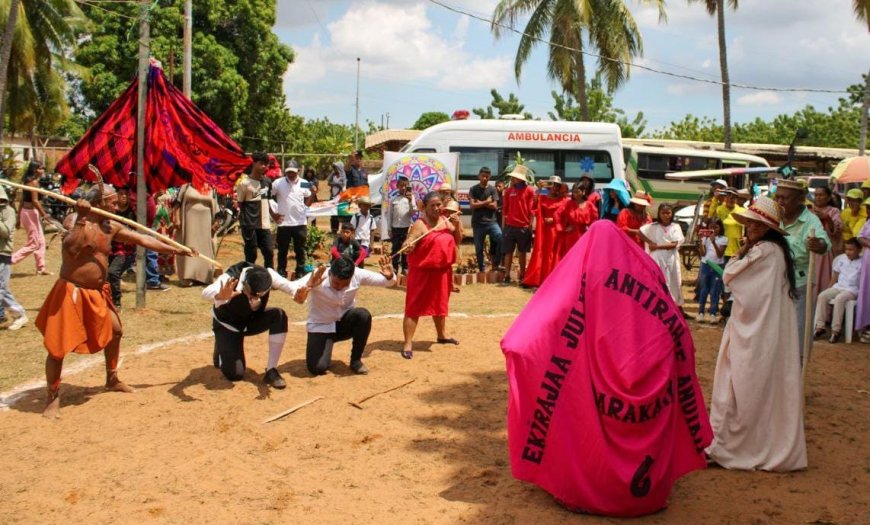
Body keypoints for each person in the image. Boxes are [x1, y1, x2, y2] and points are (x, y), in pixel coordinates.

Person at [36, 183, 195, 418]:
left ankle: (111, 379)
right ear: (99, 202)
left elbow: (142, 239)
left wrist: (174, 249)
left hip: (97, 292)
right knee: (58, 348)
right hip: (72, 291)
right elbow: (71, 247)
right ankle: (52, 397)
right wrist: (81, 218)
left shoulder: (111, 226)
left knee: (116, 330)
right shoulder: (74, 220)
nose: (117, 204)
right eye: (112, 201)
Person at [706, 196, 806, 471]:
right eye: (749, 223)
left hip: (754, 331)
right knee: (756, 384)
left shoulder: (763, 252)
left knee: (740, 383)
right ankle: (746, 443)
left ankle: (733, 446)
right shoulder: (775, 253)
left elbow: (732, 277)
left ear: (767, 229)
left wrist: (739, 255)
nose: (749, 227)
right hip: (765, 330)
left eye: (754, 224)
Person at [292, 255, 397, 376]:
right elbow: (296, 291)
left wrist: (389, 275)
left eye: (345, 284)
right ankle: (326, 343)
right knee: (318, 368)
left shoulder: (357, 273)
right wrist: (304, 292)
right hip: (321, 326)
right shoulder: (318, 275)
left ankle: (356, 361)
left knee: (363, 315)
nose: (340, 287)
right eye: (336, 283)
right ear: (330, 273)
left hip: (344, 324)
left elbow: (388, 282)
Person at [202, 262, 301, 389]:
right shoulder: (231, 277)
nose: (253, 298)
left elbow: (291, 286)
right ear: (245, 283)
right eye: (250, 293)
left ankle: (271, 370)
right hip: (228, 325)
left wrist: (298, 293)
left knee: (279, 315)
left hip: (250, 320)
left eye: (259, 295)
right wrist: (220, 295)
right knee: (235, 375)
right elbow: (205, 292)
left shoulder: (268, 275)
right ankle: (221, 346)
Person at [774, 178, 830, 362]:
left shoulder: (810, 221)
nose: (780, 202)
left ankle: (797, 368)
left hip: (800, 283)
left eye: (785, 198)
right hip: (773, 281)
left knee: (798, 329)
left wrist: (818, 244)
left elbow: (824, 244)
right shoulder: (773, 216)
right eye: (777, 197)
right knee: (774, 329)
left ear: (799, 199)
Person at [401, 192, 463, 359]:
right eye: (432, 205)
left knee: (440, 305)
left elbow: (457, 239)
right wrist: (408, 245)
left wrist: (457, 226)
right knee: (414, 307)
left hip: (442, 271)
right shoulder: (420, 224)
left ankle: (441, 335)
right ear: (425, 207)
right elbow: (410, 240)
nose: (436, 208)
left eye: (438, 205)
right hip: (422, 272)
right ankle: (408, 343)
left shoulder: (445, 220)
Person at [813, 238, 862, 343]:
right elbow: (834, 277)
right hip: (838, 287)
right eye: (846, 249)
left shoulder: (862, 262)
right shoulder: (842, 259)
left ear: (859, 250)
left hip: (852, 290)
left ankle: (836, 331)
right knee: (822, 296)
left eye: (851, 250)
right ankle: (820, 327)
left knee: (840, 299)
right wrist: (829, 289)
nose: (848, 252)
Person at [522, 175, 565, 287]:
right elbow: (533, 206)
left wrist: (554, 219)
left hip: (556, 231)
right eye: (552, 184)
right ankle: (537, 278)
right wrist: (539, 189)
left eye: (557, 185)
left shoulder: (563, 200)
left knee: (553, 253)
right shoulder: (542, 197)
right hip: (543, 231)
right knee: (541, 251)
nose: (554, 187)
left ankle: (552, 279)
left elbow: (566, 215)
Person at [272, 160, 312, 278]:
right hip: (283, 223)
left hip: (300, 222)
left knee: (300, 250)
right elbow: (268, 196)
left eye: (293, 172)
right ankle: (281, 271)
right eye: (288, 172)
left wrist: (313, 195)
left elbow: (309, 198)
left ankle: (300, 271)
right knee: (282, 250)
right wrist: (273, 213)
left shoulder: (304, 183)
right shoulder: (277, 183)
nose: (290, 174)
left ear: (298, 171)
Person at [640, 203, 685, 307]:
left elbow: (674, 244)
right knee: (659, 280)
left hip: (671, 258)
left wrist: (657, 247)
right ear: (659, 214)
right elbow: (640, 232)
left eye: (668, 213)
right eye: (663, 213)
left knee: (674, 280)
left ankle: (673, 305)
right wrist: (650, 242)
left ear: (672, 213)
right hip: (657, 259)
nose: (666, 215)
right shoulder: (653, 226)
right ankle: (657, 304)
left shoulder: (675, 227)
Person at [236, 152, 276, 268]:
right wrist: (243, 223)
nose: (264, 167)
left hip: (264, 224)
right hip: (250, 224)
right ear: (254, 163)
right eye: (261, 164)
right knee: (251, 253)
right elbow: (241, 203)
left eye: (266, 164)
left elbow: (267, 200)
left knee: (269, 252)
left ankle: (270, 277)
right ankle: (248, 276)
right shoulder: (244, 183)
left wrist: (273, 215)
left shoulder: (267, 182)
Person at [11, 161, 51, 275]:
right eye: (40, 168)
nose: (42, 170)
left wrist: (18, 217)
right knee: (34, 243)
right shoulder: (32, 183)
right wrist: (45, 215)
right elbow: (34, 201)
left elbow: (22, 200)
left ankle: (41, 268)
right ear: (34, 170)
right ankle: (8, 261)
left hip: (28, 212)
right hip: (29, 213)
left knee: (42, 241)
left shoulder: (28, 182)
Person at [175, 182, 219, 285]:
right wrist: (177, 218)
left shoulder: (212, 187)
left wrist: (216, 222)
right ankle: (188, 276)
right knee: (189, 246)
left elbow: (217, 207)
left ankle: (204, 277)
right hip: (189, 219)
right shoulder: (186, 186)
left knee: (205, 247)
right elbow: (177, 203)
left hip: (206, 220)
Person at [500, 165, 535, 284]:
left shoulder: (530, 190)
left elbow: (532, 210)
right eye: (513, 177)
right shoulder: (509, 191)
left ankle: (522, 276)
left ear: (521, 179)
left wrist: (529, 225)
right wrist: (504, 227)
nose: (513, 179)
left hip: (523, 227)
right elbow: (505, 209)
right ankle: (506, 276)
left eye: (515, 177)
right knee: (508, 252)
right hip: (510, 227)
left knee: (522, 253)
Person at [0, 186, 28, 330]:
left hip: (2, 254)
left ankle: (20, 315)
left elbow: (5, 232)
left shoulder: (8, 211)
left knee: (1, 289)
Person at [553, 178, 596, 260]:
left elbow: (594, 220)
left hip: (584, 235)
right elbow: (556, 214)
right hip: (571, 235)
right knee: (571, 258)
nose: (575, 194)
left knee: (583, 257)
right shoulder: (568, 203)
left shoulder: (589, 205)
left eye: (577, 192)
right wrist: (563, 228)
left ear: (583, 192)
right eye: (573, 191)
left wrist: (590, 230)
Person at [469, 167, 501, 272]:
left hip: (492, 222)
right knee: (479, 249)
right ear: (479, 176)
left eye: (487, 176)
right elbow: (472, 206)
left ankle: (495, 264)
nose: (484, 178)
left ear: (490, 177)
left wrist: (480, 203)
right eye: (483, 176)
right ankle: (482, 269)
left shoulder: (493, 189)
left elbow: (495, 206)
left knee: (501, 239)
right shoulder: (473, 189)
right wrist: (487, 202)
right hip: (478, 223)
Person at [696, 217, 727, 323]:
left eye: (716, 227)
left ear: (720, 228)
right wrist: (700, 241)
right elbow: (703, 254)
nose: (713, 229)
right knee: (704, 289)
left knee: (715, 290)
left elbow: (720, 255)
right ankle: (701, 312)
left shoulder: (723, 239)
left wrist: (714, 242)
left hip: (717, 265)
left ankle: (713, 313)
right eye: (711, 227)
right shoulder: (705, 238)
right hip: (705, 264)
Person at [383, 174, 416, 274]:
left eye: (405, 186)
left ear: (408, 187)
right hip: (395, 228)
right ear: (397, 186)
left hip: (406, 228)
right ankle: (395, 267)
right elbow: (389, 215)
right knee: (395, 248)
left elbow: (413, 212)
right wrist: (389, 229)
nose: (403, 188)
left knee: (405, 248)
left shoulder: (411, 198)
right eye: (401, 185)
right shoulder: (393, 200)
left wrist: (410, 201)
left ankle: (405, 268)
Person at [715, 189, 745, 264]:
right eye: (728, 197)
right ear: (724, 198)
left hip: (738, 249)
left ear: (736, 199)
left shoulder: (743, 211)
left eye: (733, 198)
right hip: (722, 249)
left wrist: (746, 238)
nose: (730, 200)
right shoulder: (719, 210)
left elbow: (749, 227)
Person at [854, 198, 870, 343]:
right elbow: (860, 237)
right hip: (868, 261)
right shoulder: (868, 222)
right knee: (867, 290)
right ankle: (866, 325)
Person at [350, 196, 376, 265]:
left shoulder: (371, 218)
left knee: (362, 257)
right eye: (363, 205)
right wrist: (352, 240)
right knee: (358, 257)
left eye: (367, 205)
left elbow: (372, 230)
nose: (365, 207)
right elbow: (352, 229)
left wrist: (372, 243)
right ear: (360, 206)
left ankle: (359, 269)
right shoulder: (356, 216)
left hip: (366, 241)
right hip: (357, 240)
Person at [328, 161, 347, 233]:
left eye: (336, 167)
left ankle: (343, 230)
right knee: (333, 213)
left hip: (340, 196)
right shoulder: (333, 174)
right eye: (334, 167)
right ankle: (334, 229)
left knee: (341, 213)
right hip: (333, 195)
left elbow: (344, 185)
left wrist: (338, 185)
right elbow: (329, 182)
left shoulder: (343, 175)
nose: (335, 169)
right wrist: (335, 184)